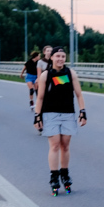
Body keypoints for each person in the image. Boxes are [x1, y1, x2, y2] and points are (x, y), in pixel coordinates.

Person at [33, 47, 87, 196]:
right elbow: (40, 97)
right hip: (50, 114)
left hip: (68, 114)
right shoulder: (46, 75)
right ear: (52, 58)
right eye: (57, 56)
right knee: (55, 145)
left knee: (65, 145)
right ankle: (54, 176)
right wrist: (37, 116)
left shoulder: (70, 73)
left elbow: (79, 94)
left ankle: (65, 173)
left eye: (63, 56)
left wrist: (82, 112)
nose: (60, 59)